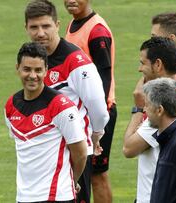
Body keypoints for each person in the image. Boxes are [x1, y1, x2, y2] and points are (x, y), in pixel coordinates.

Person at [24, 1, 110, 202]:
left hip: (74, 150)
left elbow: (98, 106)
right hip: (46, 150)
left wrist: (96, 134)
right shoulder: (34, 59)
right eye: (34, 27)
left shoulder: (75, 61)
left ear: (57, 25)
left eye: (46, 26)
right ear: (26, 28)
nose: (40, 33)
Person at [4, 42, 88, 202]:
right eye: (27, 69)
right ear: (18, 68)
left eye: (38, 70)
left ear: (46, 70)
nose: (32, 75)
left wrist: (71, 180)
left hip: (56, 196)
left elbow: (81, 153)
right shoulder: (11, 105)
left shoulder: (61, 106)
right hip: (24, 197)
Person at [122, 37, 176, 203]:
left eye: (143, 63)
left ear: (157, 65)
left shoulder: (162, 108)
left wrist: (138, 107)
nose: (139, 69)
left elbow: (128, 148)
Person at [63, 1, 117, 202]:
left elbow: (104, 76)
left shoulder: (97, 31)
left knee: (96, 175)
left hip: (99, 112)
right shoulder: (73, 23)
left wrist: (97, 122)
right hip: (81, 112)